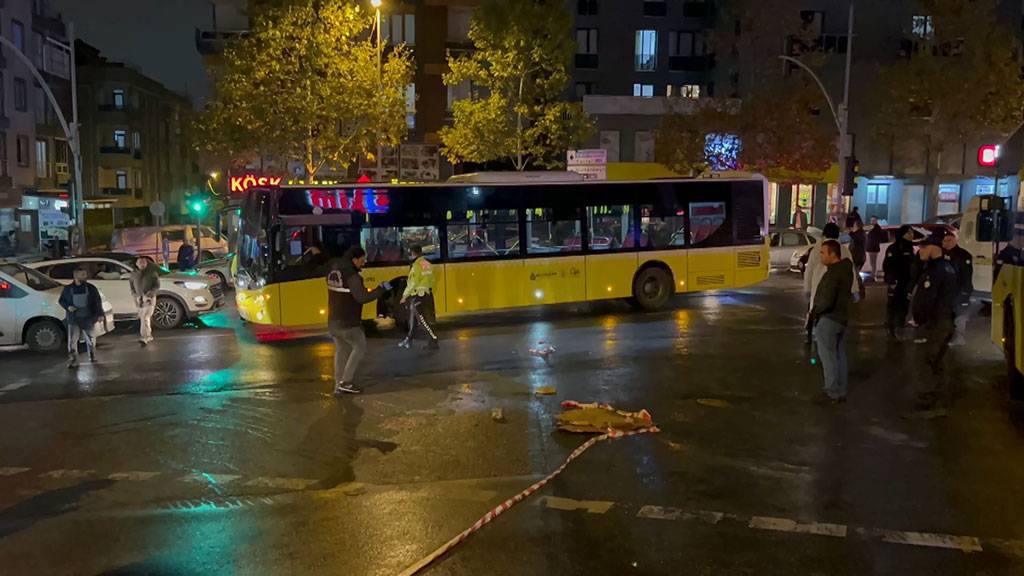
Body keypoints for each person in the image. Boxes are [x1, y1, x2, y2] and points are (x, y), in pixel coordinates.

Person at [327, 245, 391, 395]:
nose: (364, 263)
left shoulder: (333, 271)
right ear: (354, 259)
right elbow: (362, 297)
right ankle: (346, 382)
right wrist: (380, 290)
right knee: (360, 346)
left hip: (333, 321)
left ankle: (338, 385)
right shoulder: (353, 276)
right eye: (362, 260)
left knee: (342, 350)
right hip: (348, 322)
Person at [910, 244, 958, 409]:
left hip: (936, 321)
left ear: (934, 248)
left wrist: (919, 317)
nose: (919, 250)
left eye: (924, 247)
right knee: (935, 361)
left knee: (929, 360)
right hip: (940, 320)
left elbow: (928, 298)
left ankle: (930, 403)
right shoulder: (944, 266)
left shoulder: (936, 270)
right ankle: (936, 400)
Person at [810, 240, 854, 404]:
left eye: (823, 253)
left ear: (832, 254)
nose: (820, 256)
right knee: (839, 354)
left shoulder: (833, 273)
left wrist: (815, 311)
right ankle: (841, 390)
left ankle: (831, 391)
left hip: (829, 318)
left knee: (828, 356)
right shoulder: (845, 269)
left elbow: (827, 299)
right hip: (841, 318)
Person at [803, 222, 858, 344]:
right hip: (838, 289)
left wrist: (807, 288)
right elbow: (851, 272)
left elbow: (809, 270)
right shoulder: (843, 249)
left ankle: (811, 333)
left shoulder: (818, 248)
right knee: (830, 310)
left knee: (815, 310)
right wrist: (854, 290)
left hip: (818, 285)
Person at [58, 266, 104, 368]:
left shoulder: (91, 288)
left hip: (88, 318)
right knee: (72, 341)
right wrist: (68, 307)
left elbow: (97, 302)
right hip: (73, 319)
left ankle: (92, 356)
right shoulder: (68, 289)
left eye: (85, 274)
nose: (85, 276)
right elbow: (61, 301)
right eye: (82, 275)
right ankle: (73, 360)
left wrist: (100, 314)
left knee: (91, 339)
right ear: (76, 276)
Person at [399, 244, 439, 350]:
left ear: (413, 253)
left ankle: (433, 340)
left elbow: (412, 283)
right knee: (413, 319)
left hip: (418, 296)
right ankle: (408, 339)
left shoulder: (416, 266)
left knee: (421, 320)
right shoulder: (427, 264)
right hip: (426, 294)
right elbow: (433, 280)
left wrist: (404, 296)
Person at [883, 225, 916, 338]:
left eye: (912, 232)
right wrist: (891, 281)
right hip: (896, 282)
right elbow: (888, 266)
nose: (912, 235)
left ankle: (899, 328)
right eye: (909, 233)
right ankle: (891, 328)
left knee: (904, 306)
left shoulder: (910, 248)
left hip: (907, 283)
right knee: (893, 305)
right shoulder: (894, 248)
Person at [941, 230, 974, 346]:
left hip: (959, 291)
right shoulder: (942, 254)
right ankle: (949, 337)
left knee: (960, 316)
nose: (946, 243)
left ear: (955, 241)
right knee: (948, 316)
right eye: (944, 241)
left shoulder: (963, 255)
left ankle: (959, 339)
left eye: (949, 240)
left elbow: (966, 275)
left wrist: (965, 292)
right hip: (946, 291)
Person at [131, 257, 160, 345]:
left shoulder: (152, 273)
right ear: (136, 264)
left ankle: (145, 337)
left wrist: (149, 294)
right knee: (143, 318)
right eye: (140, 262)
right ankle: (148, 335)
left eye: (143, 262)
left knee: (145, 317)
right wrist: (135, 296)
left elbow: (157, 286)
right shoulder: (134, 274)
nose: (142, 264)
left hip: (149, 298)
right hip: (139, 299)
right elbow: (131, 286)